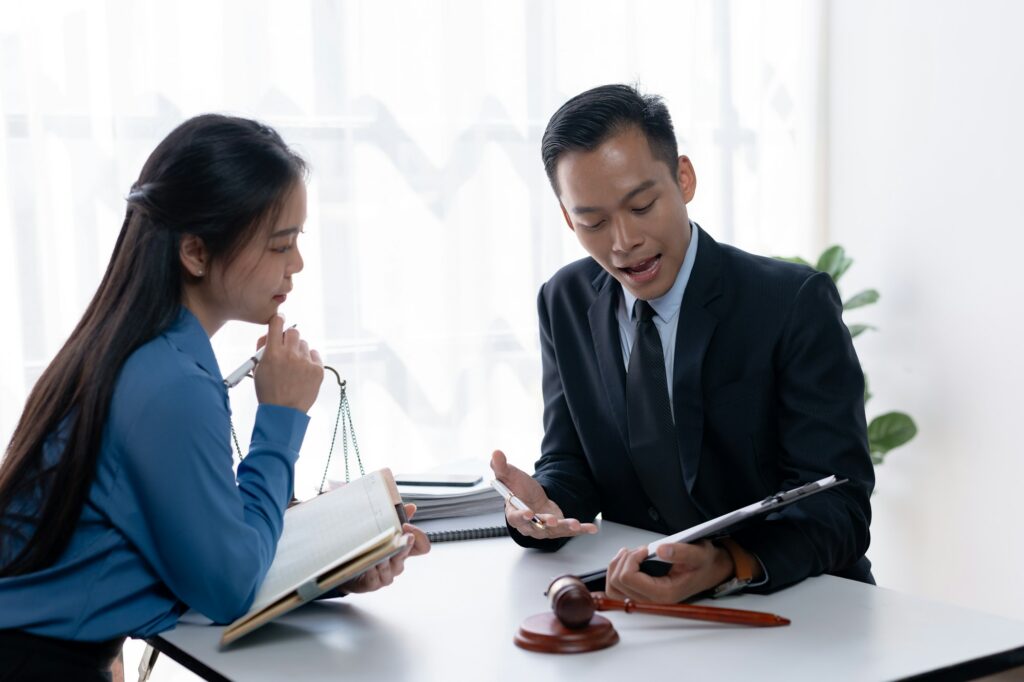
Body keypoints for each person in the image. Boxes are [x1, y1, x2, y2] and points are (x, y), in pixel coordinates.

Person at [0, 115, 429, 681]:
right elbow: (227, 588)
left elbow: (200, 551)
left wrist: (327, 570)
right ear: (196, 253)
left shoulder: (137, 348)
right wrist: (280, 417)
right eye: (281, 244)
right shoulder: (170, 382)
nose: (296, 264)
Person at [491, 84, 874, 605]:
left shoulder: (790, 303)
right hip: (646, 613)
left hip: (798, 607)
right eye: (593, 222)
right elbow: (570, 459)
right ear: (567, 218)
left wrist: (727, 565)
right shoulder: (565, 299)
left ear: (684, 179)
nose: (623, 242)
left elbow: (841, 505)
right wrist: (544, 504)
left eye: (642, 205)